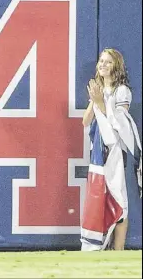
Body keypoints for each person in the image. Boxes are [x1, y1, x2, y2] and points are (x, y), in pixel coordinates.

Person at [81, 48, 142, 251]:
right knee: (101, 196)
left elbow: (121, 125)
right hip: (98, 152)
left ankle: (119, 249)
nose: (103, 65)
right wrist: (94, 100)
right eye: (101, 61)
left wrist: (100, 102)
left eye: (108, 62)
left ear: (116, 67)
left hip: (115, 152)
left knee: (119, 200)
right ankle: (101, 245)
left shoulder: (122, 91)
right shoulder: (98, 89)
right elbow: (86, 121)